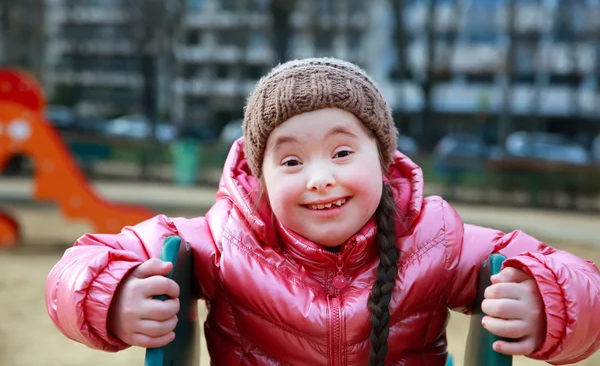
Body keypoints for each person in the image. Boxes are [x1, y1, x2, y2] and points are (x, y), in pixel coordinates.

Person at [45, 58, 600, 365]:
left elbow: (585, 287)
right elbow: (79, 266)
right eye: (290, 160)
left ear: (383, 161)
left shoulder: (432, 235)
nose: (320, 177)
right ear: (259, 177)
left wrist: (547, 302)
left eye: (341, 151)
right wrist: (111, 296)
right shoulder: (225, 239)